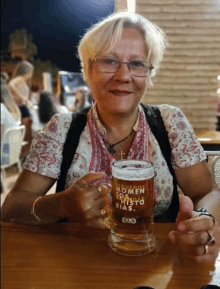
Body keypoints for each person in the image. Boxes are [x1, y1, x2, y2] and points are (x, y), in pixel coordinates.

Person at [2, 11, 220, 263]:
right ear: (88, 70)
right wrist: (59, 205)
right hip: (75, 266)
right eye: (109, 61)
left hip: (158, 266)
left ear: (149, 74)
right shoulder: (62, 130)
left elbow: (208, 191)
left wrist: (204, 220)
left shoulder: (170, 123)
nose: (123, 76)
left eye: (137, 64)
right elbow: (10, 209)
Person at [8, 60, 34, 150]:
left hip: (21, 106)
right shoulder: (20, 79)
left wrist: (27, 101)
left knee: (25, 127)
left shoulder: (23, 81)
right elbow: (11, 84)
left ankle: (24, 148)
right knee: (26, 126)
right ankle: (25, 148)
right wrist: (22, 97)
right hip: (18, 107)